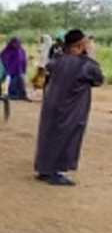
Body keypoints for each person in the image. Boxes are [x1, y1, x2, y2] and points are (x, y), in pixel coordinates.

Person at [34, 30, 104, 186]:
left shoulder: (56, 60)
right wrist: (91, 56)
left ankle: (44, 170)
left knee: (48, 136)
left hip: (51, 104)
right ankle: (56, 172)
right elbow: (98, 79)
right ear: (79, 45)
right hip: (72, 108)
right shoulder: (85, 65)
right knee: (67, 137)